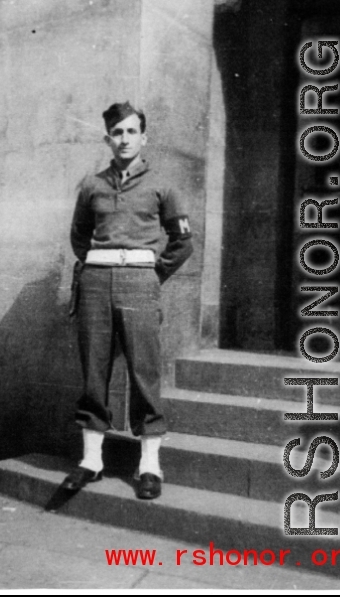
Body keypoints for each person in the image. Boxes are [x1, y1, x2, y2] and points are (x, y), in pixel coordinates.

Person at [63, 101, 193, 499]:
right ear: (107, 139)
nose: (124, 139)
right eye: (117, 133)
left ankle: (149, 465)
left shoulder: (162, 186)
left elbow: (182, 241)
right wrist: (98, 269)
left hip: (140, 281)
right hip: (96, 283)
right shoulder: (91, 185)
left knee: (144, 371)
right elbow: (79, 237)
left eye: (131, 131)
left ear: (144, 137)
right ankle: (91, 461)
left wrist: (152, 274)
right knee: (94, 371)